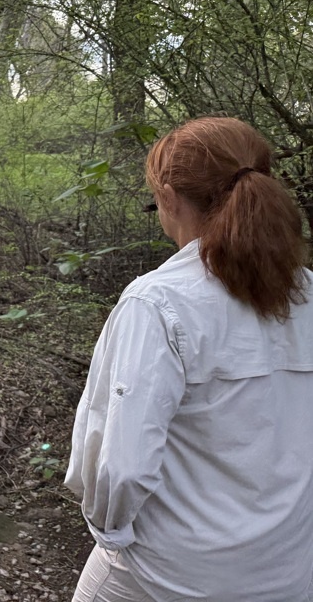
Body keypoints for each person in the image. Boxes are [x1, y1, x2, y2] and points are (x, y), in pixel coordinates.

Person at [66, 116, 313, 602]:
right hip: (289, 572)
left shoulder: (158, 303)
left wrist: (111, 536)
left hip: (168, 576)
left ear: (169, 197)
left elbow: (122, 467)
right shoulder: (308, 295)